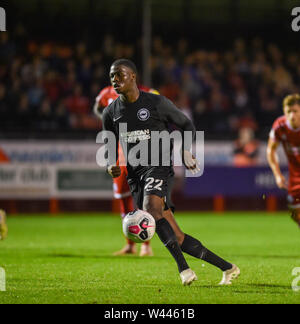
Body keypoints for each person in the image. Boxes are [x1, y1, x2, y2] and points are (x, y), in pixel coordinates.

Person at [102, 58, 240, 286]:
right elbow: (108, 146)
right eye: (112, 77)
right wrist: (110, 164)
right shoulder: (110, 113)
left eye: (120, 75)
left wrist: (185, 151)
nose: (115, 80)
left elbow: (186, 125)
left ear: (133, 76)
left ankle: (184, 269)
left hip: (159, 166)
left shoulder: (156, 103)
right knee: (176, 236)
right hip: (136, 176)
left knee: (150, 208)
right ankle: (228, 268)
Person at [94, 84, 157, 257]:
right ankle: (130, 245)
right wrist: (106, 119)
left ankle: (146, 244)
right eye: (115, 75)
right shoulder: (106, 92)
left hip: (142, 153)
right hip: (120, 155)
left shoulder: (147, 92)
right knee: (123, 199)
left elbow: (163, 108)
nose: (118, 78)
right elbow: (97, 107)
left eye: (122, 74)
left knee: (145, 199)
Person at [267, 94, 300, 228]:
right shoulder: (280, 126)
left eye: (295, 111)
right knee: (294, 213)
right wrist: (277, 174)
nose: (292, 115)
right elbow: (271, 150)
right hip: (295, 176)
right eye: (289, 112)